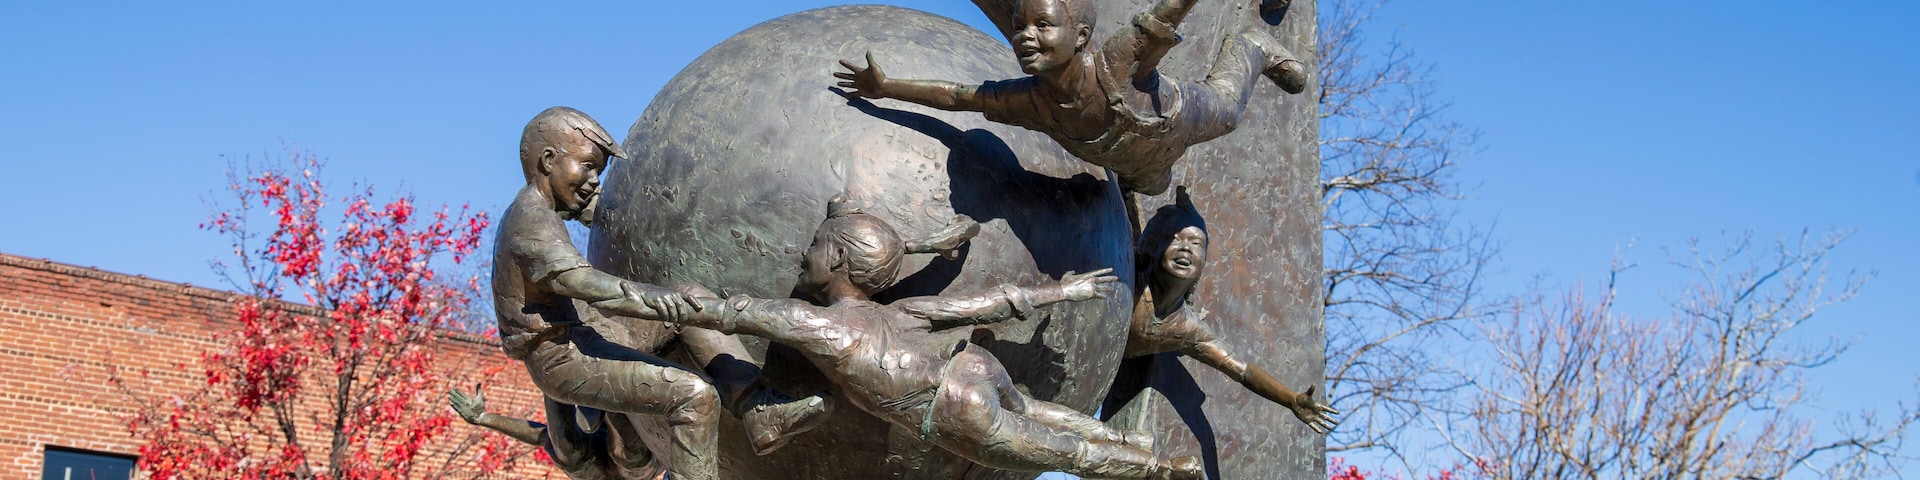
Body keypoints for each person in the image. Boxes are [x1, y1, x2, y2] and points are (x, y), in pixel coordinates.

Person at [595, 198, 1206, 480]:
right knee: (1056, 418)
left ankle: (1161, 469)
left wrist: (621, 295)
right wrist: (1063, 292)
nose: (801, 256)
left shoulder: (823, 326)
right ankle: (1139, 446)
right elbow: (989, 303)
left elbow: (730, 311)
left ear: (835, 257)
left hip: (954, 408)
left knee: (1061, 452)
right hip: (975, 366)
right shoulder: (904, 308)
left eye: (813, 247)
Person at [836, 0, 1308, 199]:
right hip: (1140, 165)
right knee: (1153, 188)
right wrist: (886, 87)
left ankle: (1253, 47)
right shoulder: (1027, 101)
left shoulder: (1117, 61)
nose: (1025, 36)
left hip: (1180, 120)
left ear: (1080, 35)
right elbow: (958, 97)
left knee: (1231, 113)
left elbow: (1170, 9)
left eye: (1042, 25)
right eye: (1020, 26)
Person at [492, 106, 721, 480]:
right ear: (548, 161)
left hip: (590, 339)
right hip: (564, 359)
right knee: (694, 396)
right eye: (587, 166)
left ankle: (755, 402)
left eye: (598, 171)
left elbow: (589, 210)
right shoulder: (531, 219)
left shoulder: (542, 211)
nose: (594, 180)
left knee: (691, 296)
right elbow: (584, 284)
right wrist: (651, 298)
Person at [1124, 188, 1338, 434]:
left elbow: (1242, 370)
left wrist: (1290, 399)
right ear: (1153, 246)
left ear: (1203, 261)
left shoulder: (1186, 329)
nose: (1186, 249)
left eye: (1196, 244)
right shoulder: (1128, 282)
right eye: (1175, 239)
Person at [449, 386, 659, 480]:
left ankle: (553, 374)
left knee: (567, 451)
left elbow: (542, 436)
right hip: (641, 457)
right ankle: (606, 398)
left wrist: (484, 418)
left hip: (595, 463)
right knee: (632, 458)